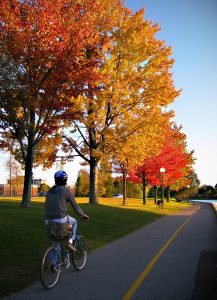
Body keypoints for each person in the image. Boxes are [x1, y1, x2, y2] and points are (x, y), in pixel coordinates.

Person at [45, 170, 89, 251]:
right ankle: (70, 242)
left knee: (56, 243)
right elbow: (75, 206)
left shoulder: (49, 191)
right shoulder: (65, 190)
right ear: (65, 180)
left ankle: (53, 263)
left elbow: (46, 206)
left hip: (48, 221)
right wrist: (83, 215)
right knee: (74, 222)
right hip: (60, 219)